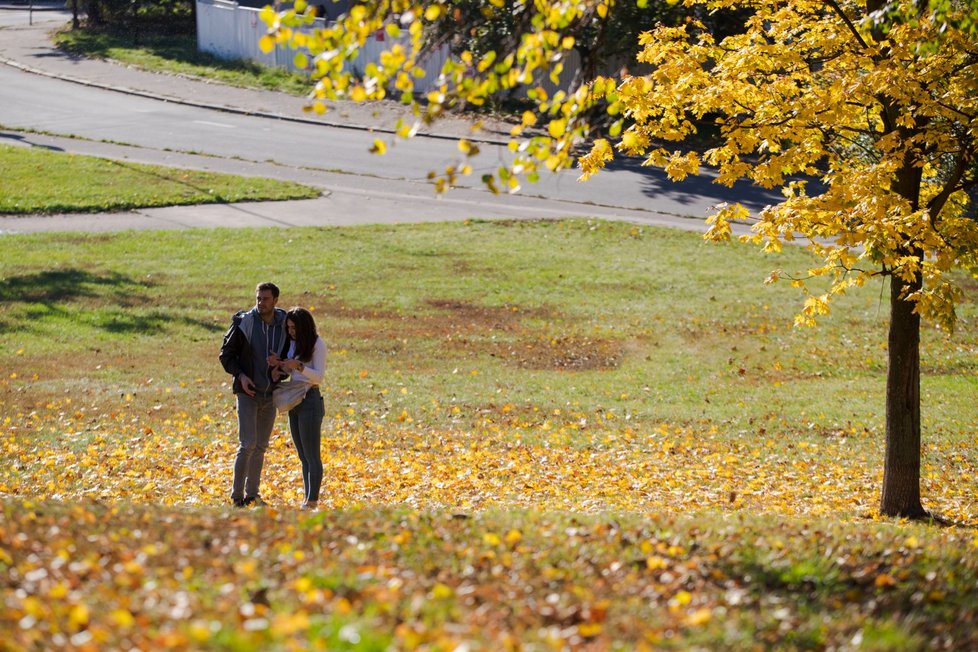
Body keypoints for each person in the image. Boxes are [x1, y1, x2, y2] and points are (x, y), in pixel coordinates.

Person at [219, 282, 291, 508]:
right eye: (258, 298)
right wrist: (240, 375)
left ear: (275, 301)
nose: (260, 303)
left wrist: (281, 369)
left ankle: (252, 495)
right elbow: (226, 355)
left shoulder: (285, 325)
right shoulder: (244, 322)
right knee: (247, 444)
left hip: (270, 394)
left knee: (260, 446)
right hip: (247, 392)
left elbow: (292, 356)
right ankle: (236, 497)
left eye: (265, 299)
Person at [268, 307, 326, 510]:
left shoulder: (317, 344)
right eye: (289, 327)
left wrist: (299, 366)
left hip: (310, 399)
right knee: (302, 455)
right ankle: (307, 498)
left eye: (294, 327)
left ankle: (312, 500)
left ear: (304, 326)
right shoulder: (293, 343)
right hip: (294, 399)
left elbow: (318, 376)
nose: (291, 331)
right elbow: (292, 371)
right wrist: (280, 364)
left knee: (312, 455)